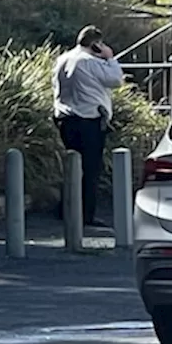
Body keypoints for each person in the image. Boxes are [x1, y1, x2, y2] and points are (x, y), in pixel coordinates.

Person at [53, 26, 125, 228]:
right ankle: (86, 214)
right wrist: (110, 58)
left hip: (65, 119)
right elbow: (116, 80)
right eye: (100, 44)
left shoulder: (63, 59)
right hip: (89, 120)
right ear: (95, 44)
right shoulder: (90, 62)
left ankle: (65, 209)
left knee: (72, 166)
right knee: (90, 169)